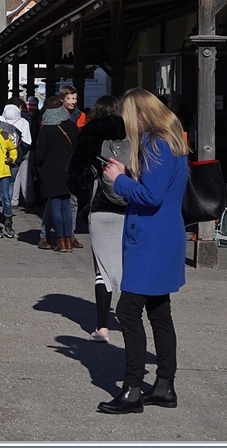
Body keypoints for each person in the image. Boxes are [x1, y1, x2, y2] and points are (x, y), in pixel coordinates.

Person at [96, 89, 189, 415]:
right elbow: (157, 188)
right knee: (159, 312)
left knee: (128, 311)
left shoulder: (157, 143)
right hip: (162, 237)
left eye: (128, 115)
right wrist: (130, 172)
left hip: (151, 240)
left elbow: (150, 196)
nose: (125, 121)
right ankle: (164, 384)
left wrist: (119, 179)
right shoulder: (169, 141)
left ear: (142, 114)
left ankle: (132, 387)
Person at [65, 94, 130, 341]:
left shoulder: (91, 132)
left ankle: (102, 327)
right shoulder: (134, 131)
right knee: (128, 266)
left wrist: (85, 203)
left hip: (101, 208)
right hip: (131, 205)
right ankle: (128, 318)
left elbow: (73, 174)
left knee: (102, 269)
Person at [33, 96, 79, 251]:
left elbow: (39, 155)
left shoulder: (46, 129)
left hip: (50, 171)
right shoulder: (71, 126)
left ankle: (60, 240)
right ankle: (68, 239)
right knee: (66, 204)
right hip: (68, 170)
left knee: (54, 204)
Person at [1, 103, 34, 208]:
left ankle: (13, 200)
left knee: (11, 178)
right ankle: (29, 198)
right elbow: (27, 141)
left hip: (6, 153)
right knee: (25, 176)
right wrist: (22, 151)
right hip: (21, 152)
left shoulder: (0, 121)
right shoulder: (23, 121)